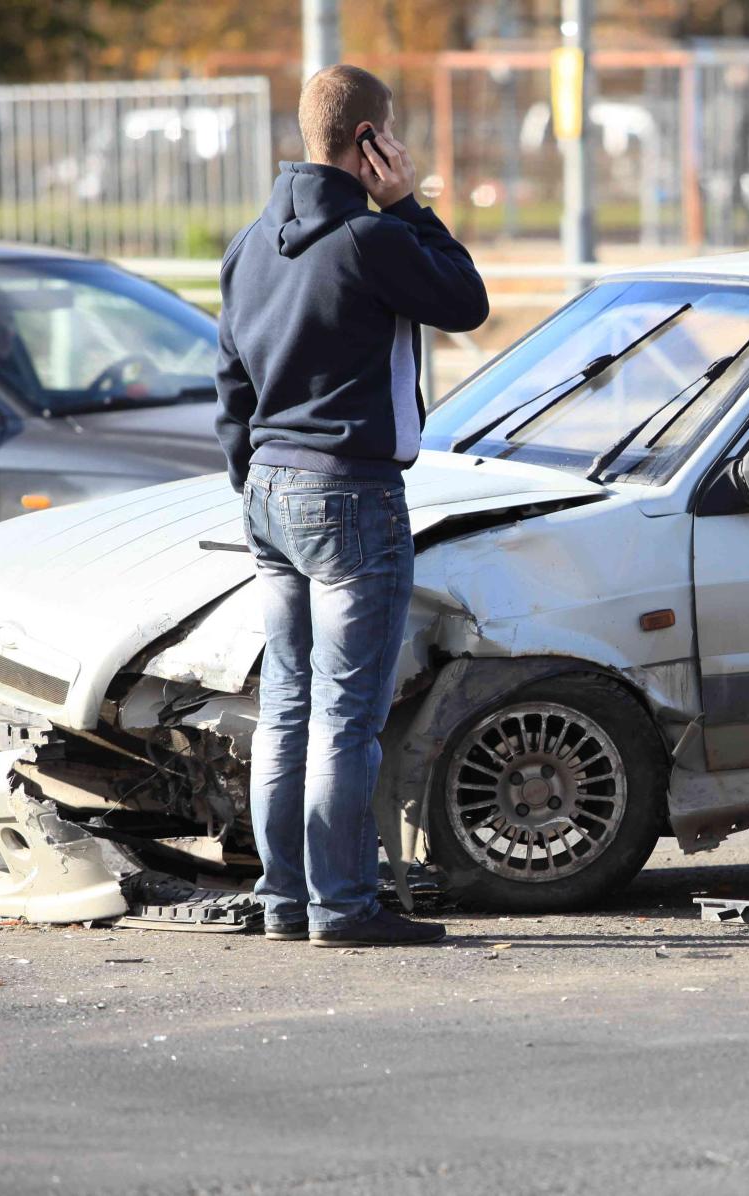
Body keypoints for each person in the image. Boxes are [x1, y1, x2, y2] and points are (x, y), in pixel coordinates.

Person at [215, 64, 488, 947]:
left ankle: (283, 900)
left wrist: (253, 481)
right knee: (344, 713)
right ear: (370, 140)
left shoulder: (248, 244)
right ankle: (342, 905)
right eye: (390, 131)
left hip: (267, 491)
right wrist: (408, 204)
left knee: (287, 707)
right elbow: (466, 302)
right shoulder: (373, 241)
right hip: (349, 494)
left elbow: (231, 391)